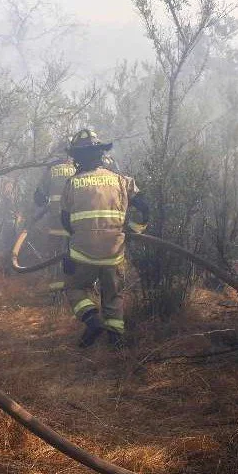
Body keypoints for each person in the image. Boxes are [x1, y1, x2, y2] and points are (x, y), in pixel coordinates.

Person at [59, 129, 150, 348]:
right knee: (113, 296)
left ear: (77, 158)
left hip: (82, 253)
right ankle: (116, 341)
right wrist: (135, 230)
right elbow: (145, 207)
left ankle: (92, 320)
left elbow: (65, 221)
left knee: (74, 288)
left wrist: (71, 249)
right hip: (114, 253)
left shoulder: (72, 183)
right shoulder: (121, 181)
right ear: (101, 154)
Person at [30, 142, 78, 295]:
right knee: (75, 256)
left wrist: (46, 204)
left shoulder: (51, 170)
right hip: (74, 224)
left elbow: (38, 197)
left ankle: (54, 294)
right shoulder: (80, 168)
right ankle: (74, 291)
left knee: (54, 256)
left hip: (56, 224)